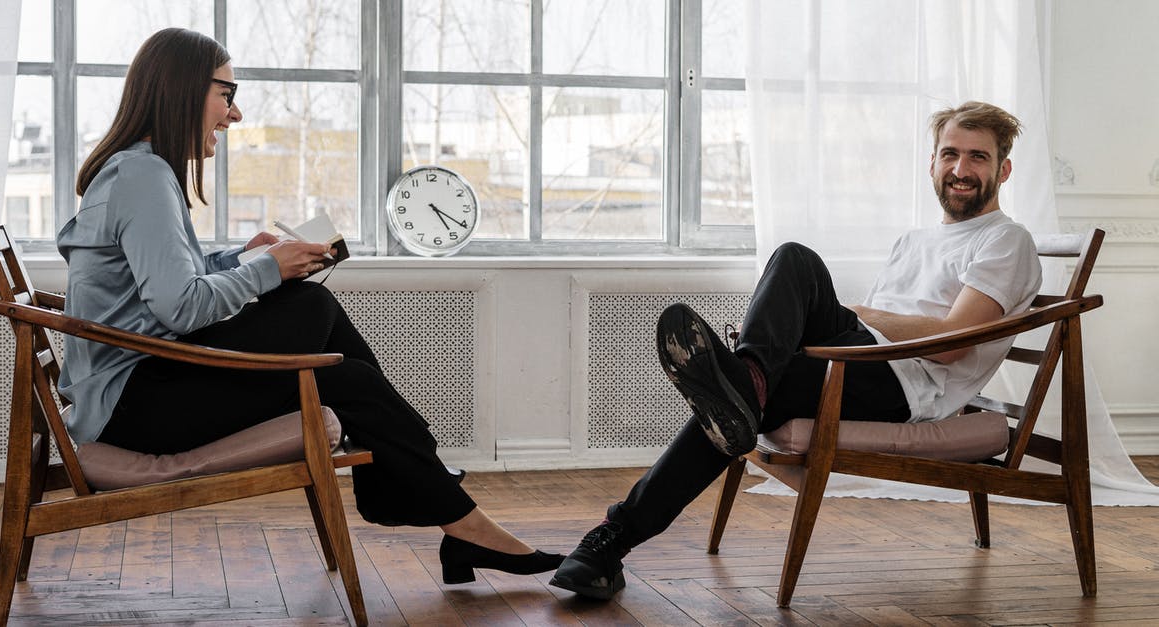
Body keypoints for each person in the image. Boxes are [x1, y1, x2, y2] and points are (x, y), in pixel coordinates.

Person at [57, 27, 562, 583]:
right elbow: (179, 308)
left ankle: (455, 518)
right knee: (310, 308)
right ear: (183, 90)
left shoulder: (135, 170)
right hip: (135, 406)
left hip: (140, 387)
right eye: (226, 93)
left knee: (343, 370)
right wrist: (269, 269)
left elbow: (158, 281)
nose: (235, 113)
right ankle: (431, 487)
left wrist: (239, 258)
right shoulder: (144, 174)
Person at [549, 101, 1044, 599]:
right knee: (793, 259)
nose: (960, 169)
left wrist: (862, 314)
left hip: (904, 384)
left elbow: (953, 344)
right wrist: (849, 322)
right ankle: (748, 380)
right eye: (950, 154)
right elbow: (872, 325)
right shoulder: (914, 240)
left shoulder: (1006, 239)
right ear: (932, 162)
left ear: (1003, 170)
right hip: (860, 355)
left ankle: (613, 537)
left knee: (742, 399)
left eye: (978, 157)